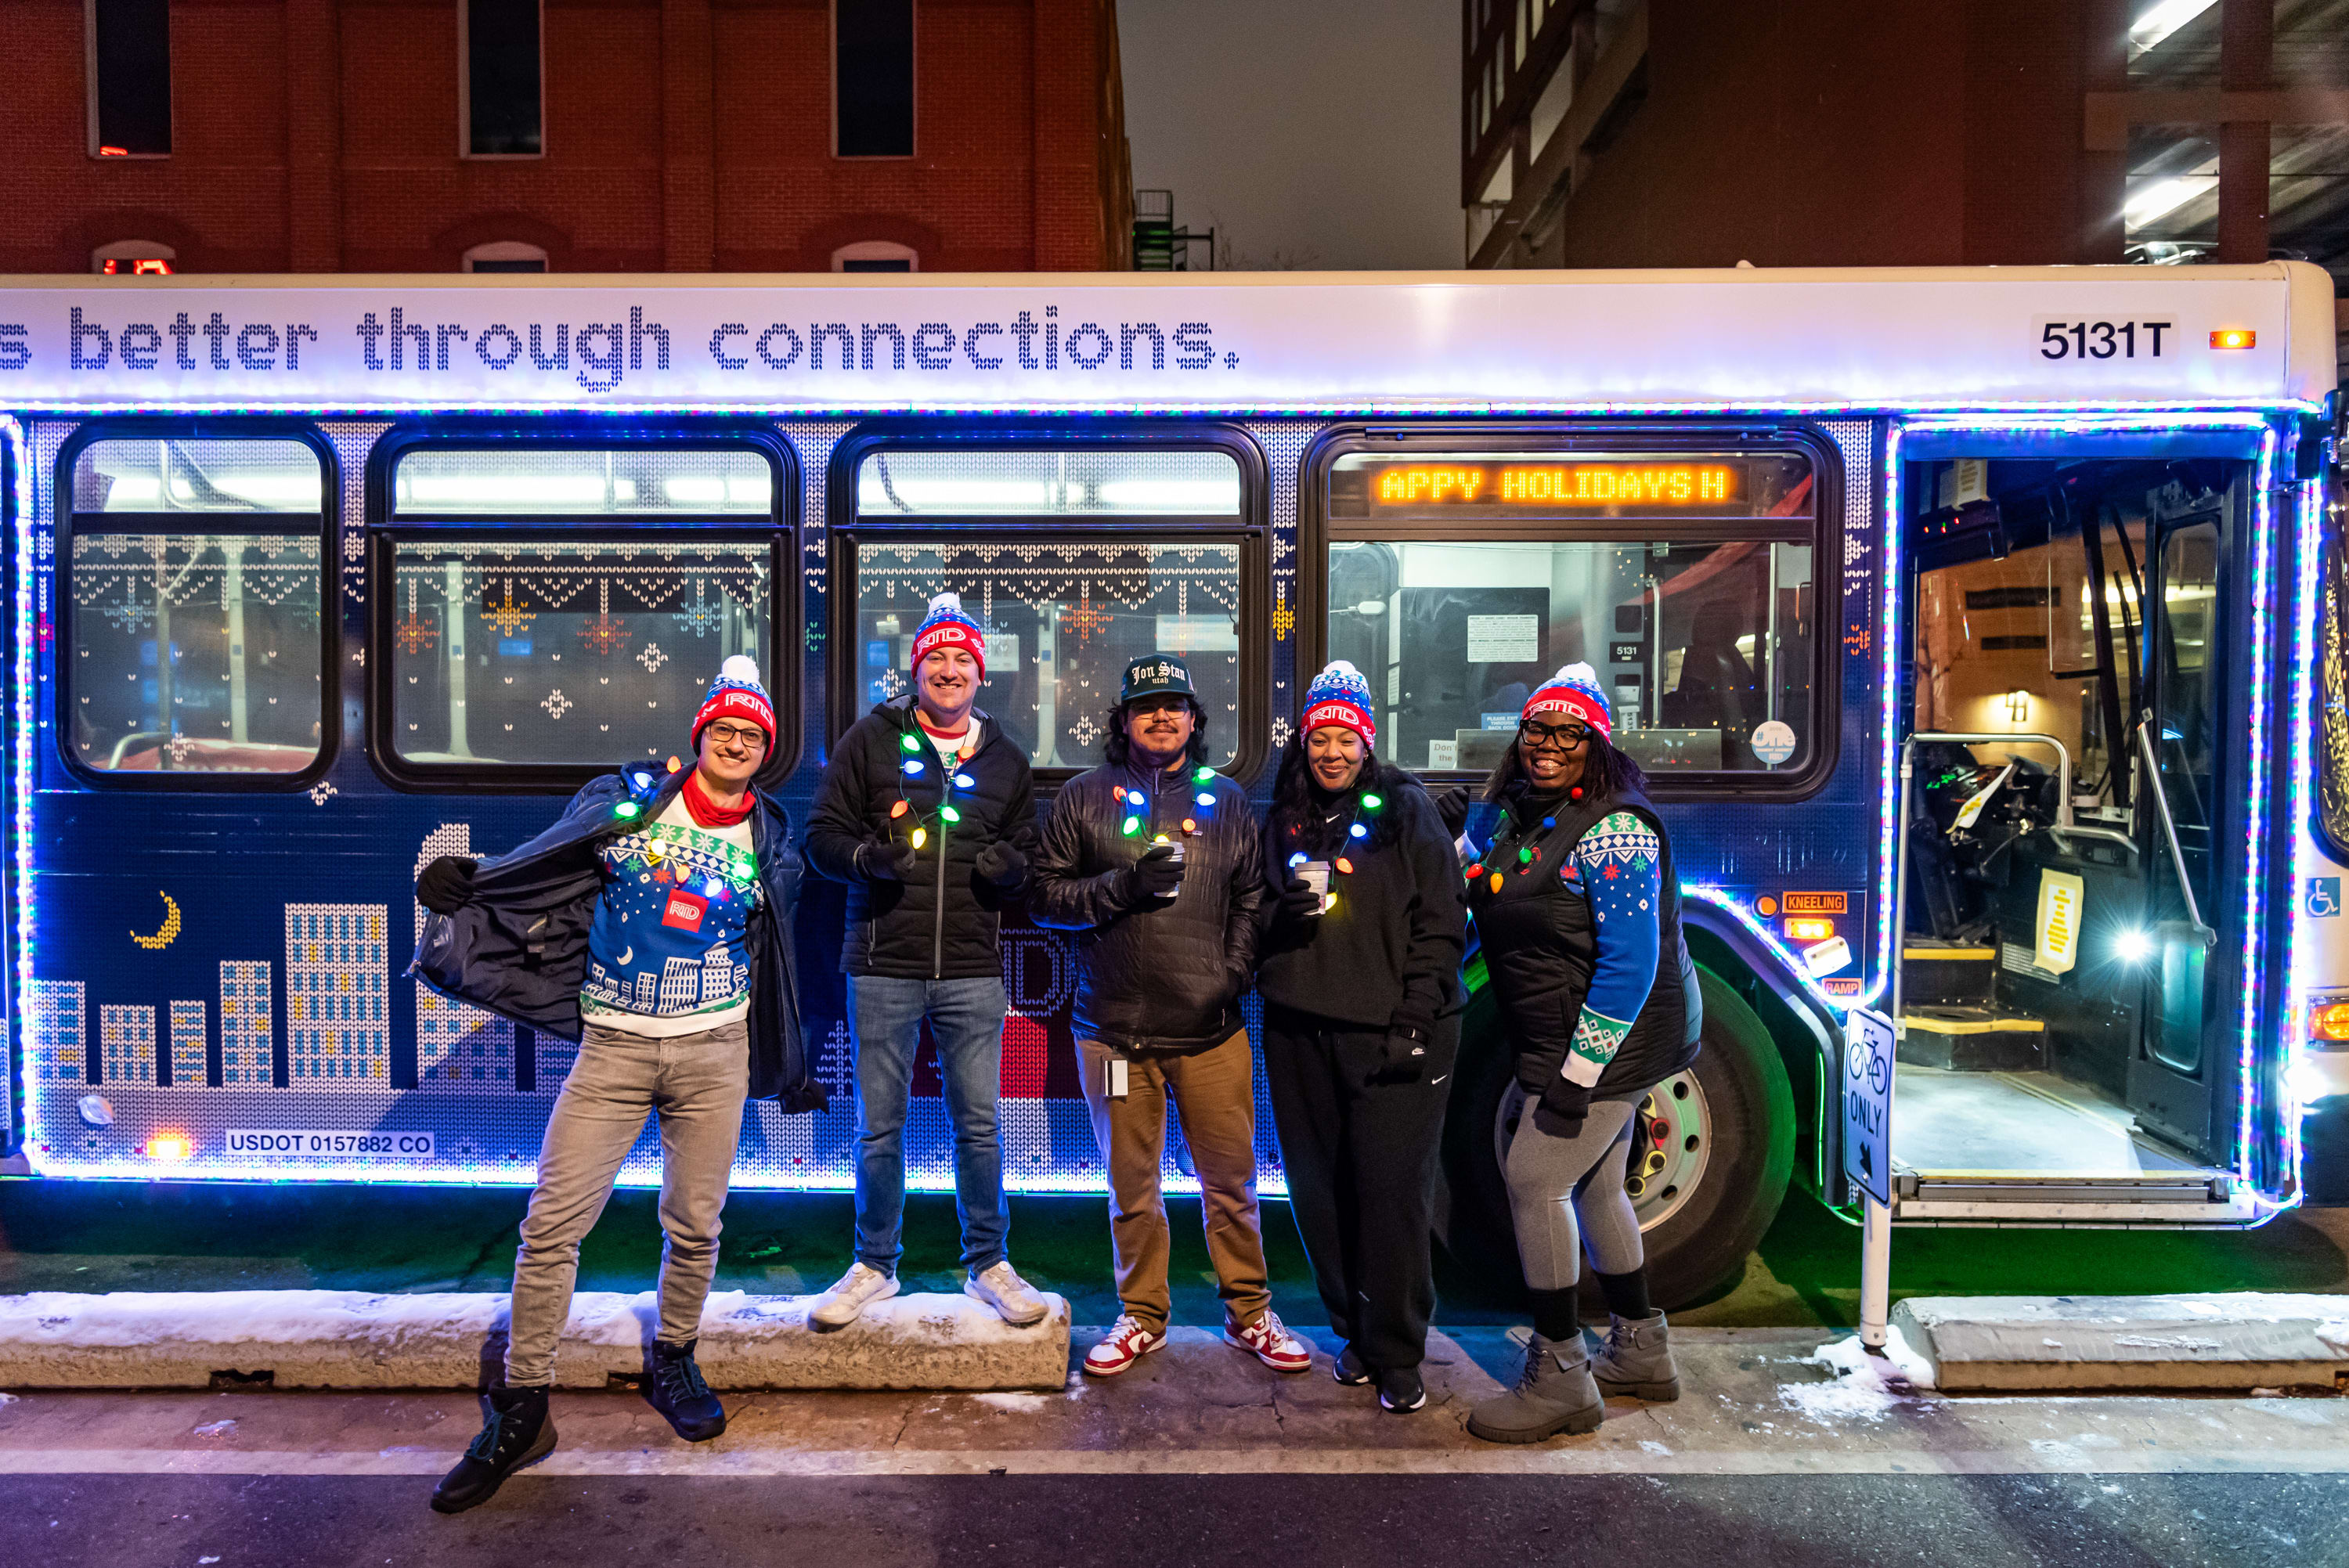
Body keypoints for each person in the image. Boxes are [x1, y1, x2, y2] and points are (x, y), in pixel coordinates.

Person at [410, 654, 819, 1512]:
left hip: (714, 1051)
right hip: (614, 1047)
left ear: (765, 750)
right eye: (725, 730)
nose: (737, 743)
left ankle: (673, 1354)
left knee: (696, 1222)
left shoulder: (774, 836)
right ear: (701, 735)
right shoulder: (632, 802)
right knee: (551, 1224)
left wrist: (787, 1058)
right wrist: (466, 882)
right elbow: (545, 867)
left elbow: (779, 948)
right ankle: (523, 1406)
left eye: (753, 735)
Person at [1030, 651, 1308, 1379]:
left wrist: (1231, 975)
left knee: (1232, 1182)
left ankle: (1249, 1312)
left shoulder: (1230, 800)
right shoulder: (1082, 797)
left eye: (1175, 705)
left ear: (1194, 720)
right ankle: (1142, 1316)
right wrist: (1123, 885)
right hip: (1114, 1038)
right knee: (1133, 1185)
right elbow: (1045, 897)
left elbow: (1252, 899)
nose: (1162, 715)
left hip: (1211, 1031)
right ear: (1122, 720)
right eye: (1147, 704)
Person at [1456, 663, 1701, 1444]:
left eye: (1569, 733)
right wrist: (1481, 813)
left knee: (1532, 1179)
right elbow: (1476, 875)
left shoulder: (1616, 830)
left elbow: (1629, 967)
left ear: (1596, 745)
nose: (1549, 746)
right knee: (1597, 1191)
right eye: (1537, 730)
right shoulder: (1535, 816)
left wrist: (1575, 1078)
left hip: (1607, 1042)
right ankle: (1641, 1350)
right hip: (1563, 1030)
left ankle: (1561, 1377)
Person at [803, 591, 1047, 1329]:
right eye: (935, 657)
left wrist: (1012, 870)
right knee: (879, 1127)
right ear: (916, 670)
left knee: (979, 1124)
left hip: (972, 967)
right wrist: (863, 858)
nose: (948, 670)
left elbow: (1030, 855)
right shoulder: (869, 740)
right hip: (881, 961)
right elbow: (820, 836)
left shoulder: (1007, 757)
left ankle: (989, 1263)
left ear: (981, 675)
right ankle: (875, 1264)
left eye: (961, 659)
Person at [1254, 661, 1466, 1414]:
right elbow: (1253, 918)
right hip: (1300, 1032)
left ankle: (1399, 1349)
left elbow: (1442, 925)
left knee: (1390, 1194)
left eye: (1347, 737)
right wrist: (1281, 919)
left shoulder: (1408, 809)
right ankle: (1355, 1330)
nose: (1333, 751)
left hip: (1394, 1035)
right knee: (1320, 1192)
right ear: (1305, 741)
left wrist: (1414, 1017)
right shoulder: (1282, 814)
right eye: (1321, 737)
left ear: (1367, 741)